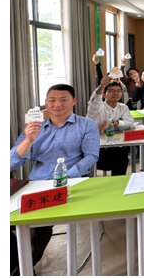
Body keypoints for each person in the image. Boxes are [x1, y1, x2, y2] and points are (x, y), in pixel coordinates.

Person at [10, 84, 99, 268]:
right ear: (46, 103)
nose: (57, 104)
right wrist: (28, 140)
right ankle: (16, 265)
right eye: (52, 100)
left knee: (37, 227)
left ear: (74, 101)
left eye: (63, 99)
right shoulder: (34, 128)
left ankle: (23, 267)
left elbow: (91, 156)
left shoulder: (86, 125)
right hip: (36, 184)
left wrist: (66, 177)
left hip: (71, 185)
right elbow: (12, 162)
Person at [86, 76, 135, 175]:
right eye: (111, 91)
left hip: (111, 145)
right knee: (119, 156)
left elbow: (130, 123)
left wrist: (112, 122)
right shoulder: (97, 107)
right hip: (93, 148)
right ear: (104, 95)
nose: (116, 93)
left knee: (122, 155)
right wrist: (101, 86)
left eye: (118, 91)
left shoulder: (123, 107)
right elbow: (95, 99)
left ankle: (118, 182)